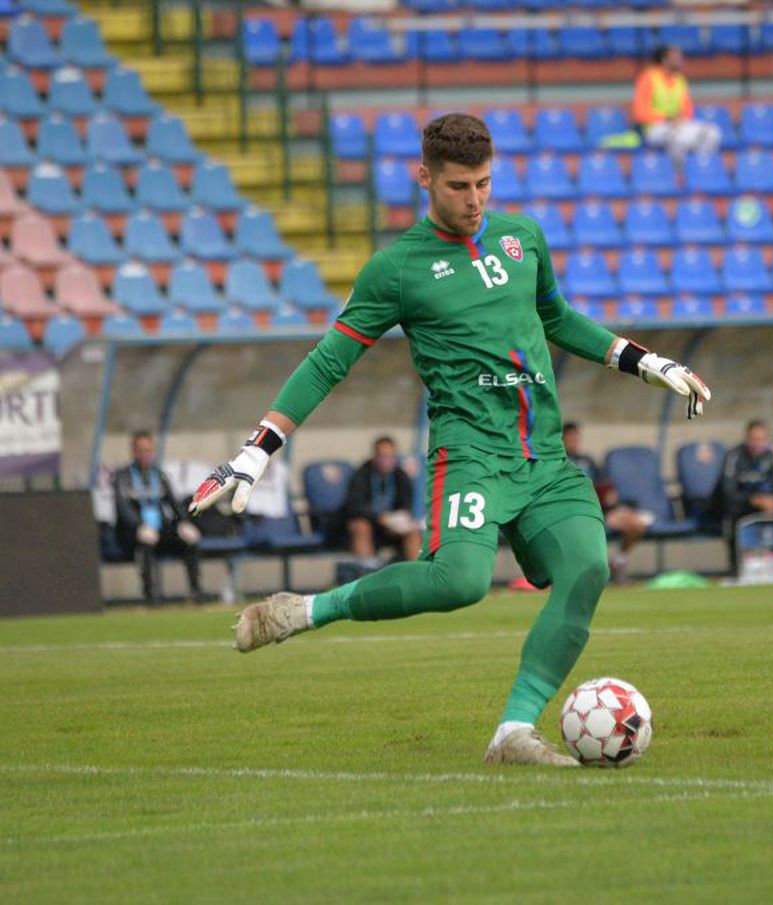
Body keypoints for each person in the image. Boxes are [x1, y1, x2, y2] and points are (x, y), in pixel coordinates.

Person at [188, 113, 710, 767]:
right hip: (469, 453)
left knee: (590, 567)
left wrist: (645, 361)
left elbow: (557, 318)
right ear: (425, 177)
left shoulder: (523, 237)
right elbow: (329, 360)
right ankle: (304, 610)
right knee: (459, 580)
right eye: (460, 186)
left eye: (485, 184)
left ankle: (512, 733)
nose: (474, 200)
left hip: (543, 454)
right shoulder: (397, 269)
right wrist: (256, 449)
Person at [112, 431, 203, 601]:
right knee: (145, 544)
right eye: (142, 450)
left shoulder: (159, 475)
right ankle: (150, 594)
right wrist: (139, 526)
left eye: (149, 450)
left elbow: (174, 503)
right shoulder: (123, 476)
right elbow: (123, 508)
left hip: (159, 529)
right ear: (134, 452)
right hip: (134, 533)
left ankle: (195, 591)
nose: (146, 455)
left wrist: (184, 522)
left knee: (190, 541)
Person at [561, 422, 650, 583]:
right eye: (569, 438)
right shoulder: (559, 463)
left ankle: (618, 562)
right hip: (575, 512)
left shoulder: (588, 460)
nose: (574, 442)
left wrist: (610, 495)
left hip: (602, 509)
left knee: (637, 524)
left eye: (576, 438)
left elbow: (604, 484)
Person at [710, 420, 773, 572]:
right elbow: (727, 491)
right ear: (747, 438)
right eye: (754, 439)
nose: (757, 443)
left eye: (761, 439)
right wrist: (753, 500)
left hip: (764, 504)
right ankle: (736, 568)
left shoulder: (771, 457)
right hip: (740, 503)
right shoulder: (734, 456)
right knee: (733, 512)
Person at [632, 44, 721, 164]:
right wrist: (667, 118)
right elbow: (639, 113)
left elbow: (687, 109)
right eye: (676, 57)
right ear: (664, 59)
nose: (680, 60)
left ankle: (698, 169)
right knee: (677, 138)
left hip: (679, 124)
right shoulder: (648, 78)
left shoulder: (680, 79)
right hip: (654, 128)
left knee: (711, 133)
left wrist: (680, 119)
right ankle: (678, 175)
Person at [344, 435, 421, 564]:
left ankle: (416, 574)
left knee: (412, 531)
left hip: (392, 526)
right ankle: (366, 574)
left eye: (390, 456)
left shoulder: (400, 476)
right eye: (382, 455)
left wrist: (399, 519)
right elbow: (353, 506)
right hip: (370, 523)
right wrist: (380, 518)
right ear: (375, 455)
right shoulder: (361, 475)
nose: (386, 460)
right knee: (360, 526)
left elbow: (406, 504)